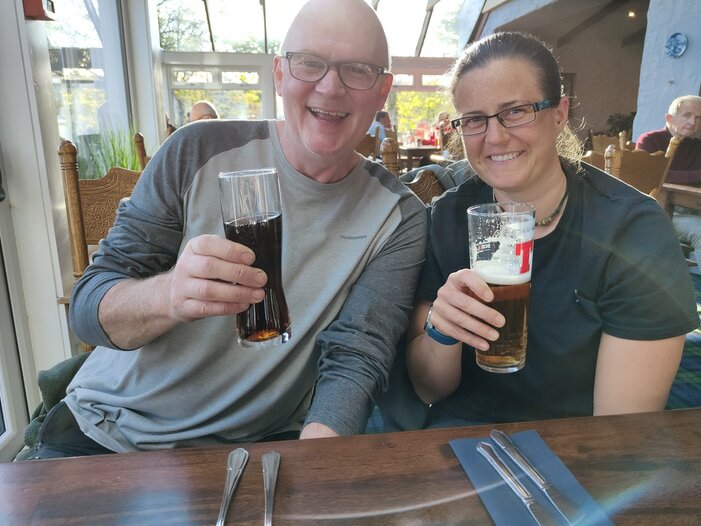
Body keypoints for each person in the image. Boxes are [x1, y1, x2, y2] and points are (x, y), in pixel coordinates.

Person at [26, 0, 426, 459]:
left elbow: (358, 354)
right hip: (109, 432)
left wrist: (320, 471)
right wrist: (170, 295)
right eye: (309, 64)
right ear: (280, 74)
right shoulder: (195, 150)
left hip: (256, 447)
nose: (330, 86)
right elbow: (87, 306)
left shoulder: (399, 215)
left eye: (357, 70)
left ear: (383, 91)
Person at [403, 32, 697, 429]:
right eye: (474, 119)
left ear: (559, 114)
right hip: (461, 440)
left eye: (516, 111)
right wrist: (442, 328)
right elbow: (428, 391)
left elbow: (620, 429)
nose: (495, 136)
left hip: (575, 445)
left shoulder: (633, 232)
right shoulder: (448, 218)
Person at [636, 95, 701, 266]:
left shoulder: (696, 146)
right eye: (687, 115)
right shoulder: (649, 140)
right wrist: (697, 175)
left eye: (698, 117)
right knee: (699, 230)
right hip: (656, 211)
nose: (693, 122)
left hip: (690, 208)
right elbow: (652, 175)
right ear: (669, 118)